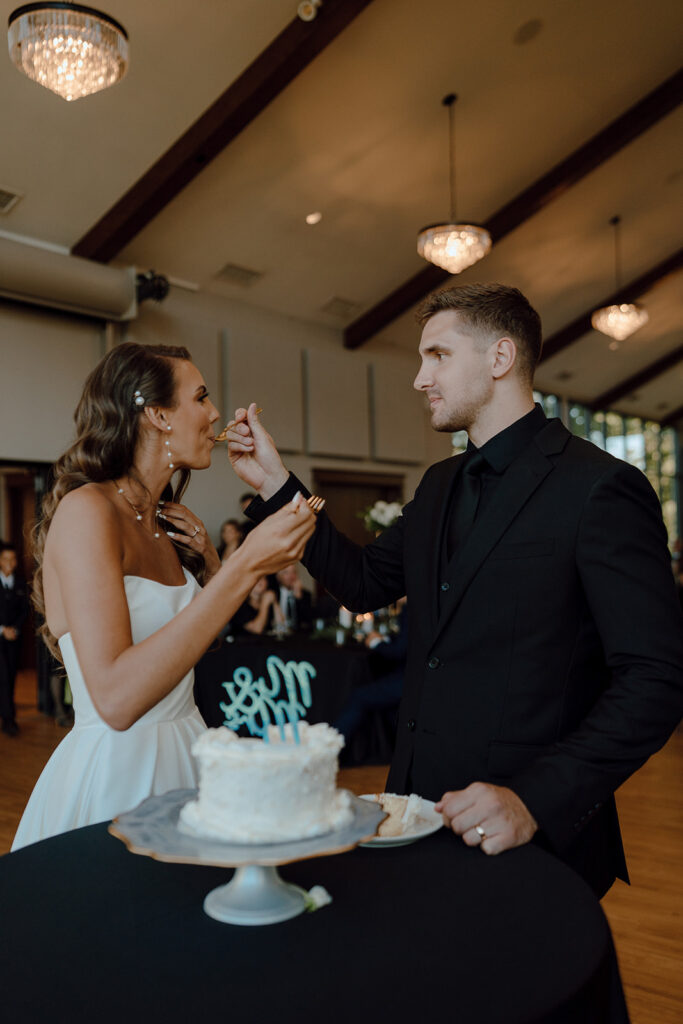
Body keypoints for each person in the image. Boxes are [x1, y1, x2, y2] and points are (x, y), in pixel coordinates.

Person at [227, 283, 683, 897]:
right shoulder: (438, 483)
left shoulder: (600, 488)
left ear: (499, 359)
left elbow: (655, 679)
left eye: (437, 356)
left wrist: (533, 799)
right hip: (418, 812)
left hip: (530, 833)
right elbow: (362, 583)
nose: (420, 378)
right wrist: (279, 486)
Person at [11, 342, 314, 850]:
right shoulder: (89, 511)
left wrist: (216, 567)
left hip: (190, 748)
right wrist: (244, 565)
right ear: (156, 415)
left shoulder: (160, 522)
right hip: (120, 773)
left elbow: (186, 647)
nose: (215, 413)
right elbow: (117, 699)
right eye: (200, 397)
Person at [0, 542, 29, 737]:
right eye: (5, 558)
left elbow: (25, 610)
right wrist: (3, 630)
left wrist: (15, 629)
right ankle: (9, 720)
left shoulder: (20, 583)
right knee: (2, 678)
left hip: (14, 639)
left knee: (10, 677)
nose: (10, 562)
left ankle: (8, 716)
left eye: (13, 558)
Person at [275, 563, 313, 632]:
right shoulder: (273, 594)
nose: (291, 576)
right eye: (286, 573)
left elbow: (307, 622)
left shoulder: (305, 595)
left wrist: (299, 598)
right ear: (278, 577)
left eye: (294, 572)